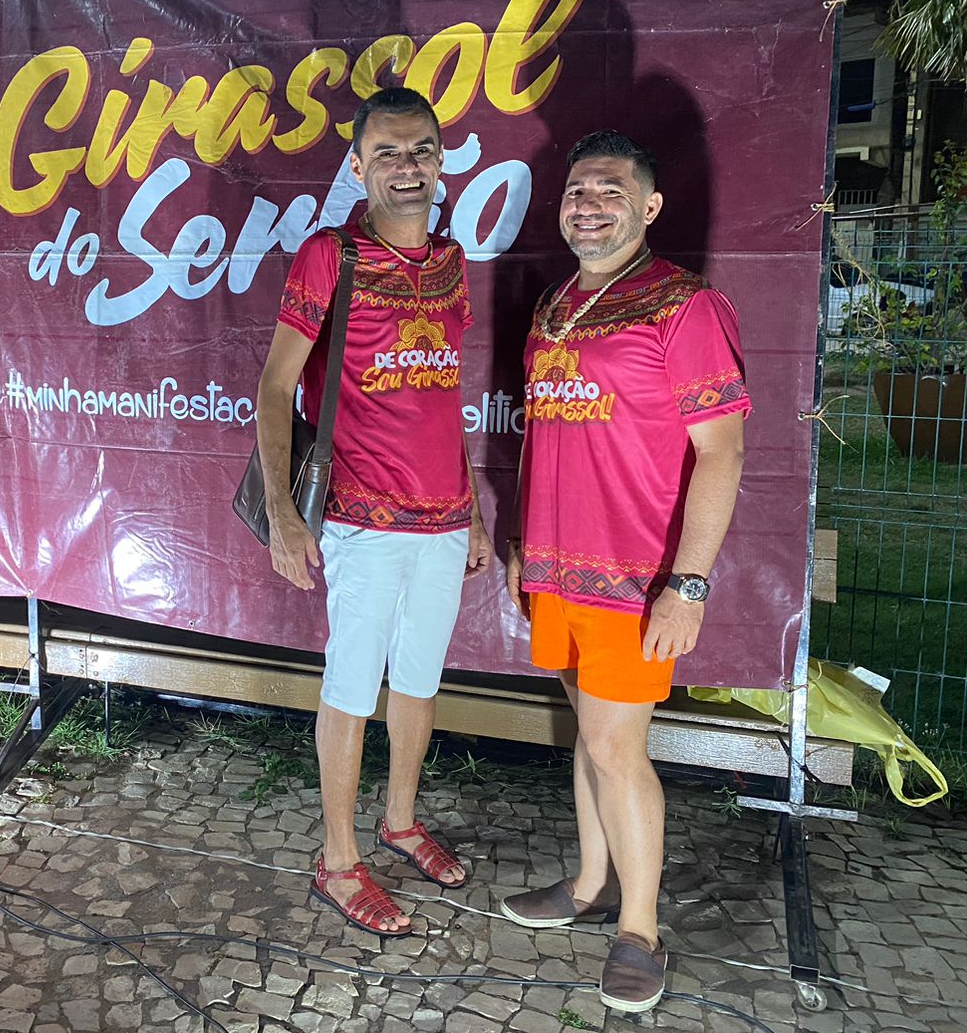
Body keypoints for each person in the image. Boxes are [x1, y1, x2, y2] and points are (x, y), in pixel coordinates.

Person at [499, 131, 749, 1012]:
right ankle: (588, 885)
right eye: (577, 190)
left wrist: (690, 582)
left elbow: (721, 453)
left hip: (635, 578)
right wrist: (522, 538)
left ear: (649, 206)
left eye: (610, 191)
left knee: (616, 746)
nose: (589, 205)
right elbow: (541, 432)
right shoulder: (555, 303)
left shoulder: (685, 304)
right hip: (558, 570)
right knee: (591, 736)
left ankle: (640, 931)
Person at [257, 87, 491, 937]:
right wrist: (284, 514)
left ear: (441, 160)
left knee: (419, 682)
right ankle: (337, 860)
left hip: (443, 520)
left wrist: (471, 510)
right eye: (387, 153)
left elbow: (443, 397)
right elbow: (276, 387)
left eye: (420, 149)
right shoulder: (332, 256)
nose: (406, 166)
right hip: (360, 517)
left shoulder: (451, 262)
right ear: (358, 167)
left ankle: (399, 822)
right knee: (353, 687)